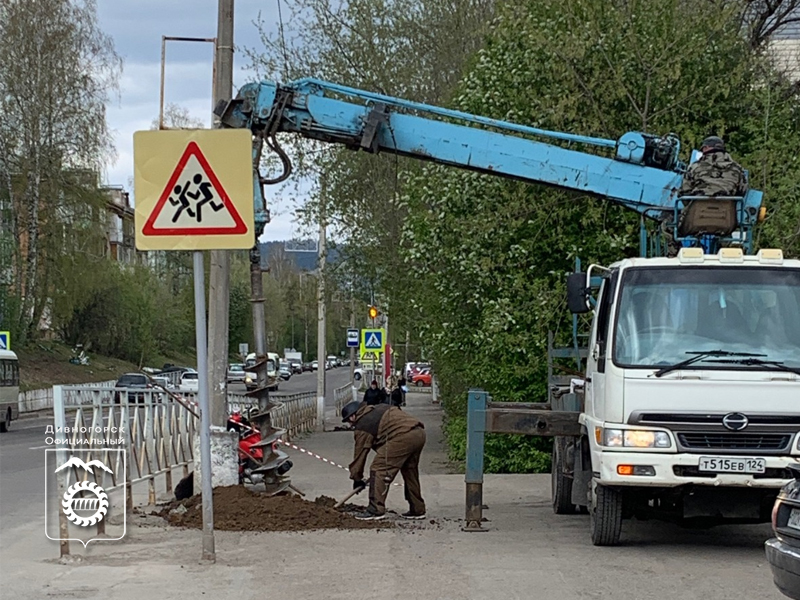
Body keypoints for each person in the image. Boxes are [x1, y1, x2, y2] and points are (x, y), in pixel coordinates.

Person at [341, 400, 426, 521]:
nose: (350, 425)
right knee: (409, 471)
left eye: (349, 421)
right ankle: (417, 509)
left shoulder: (363, 424)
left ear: (353, 415)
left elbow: (360, 455)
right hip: (419, 433)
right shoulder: (379, 408)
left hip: (402, 436)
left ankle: (375, 509)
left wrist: (356, 478)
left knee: (378, 469)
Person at [678, 136, 747, 199]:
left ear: (706, 148)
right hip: (726, 211)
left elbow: (685, 192)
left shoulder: (694, 167)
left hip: (698, 210)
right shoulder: (737, 168)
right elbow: (742, 191)